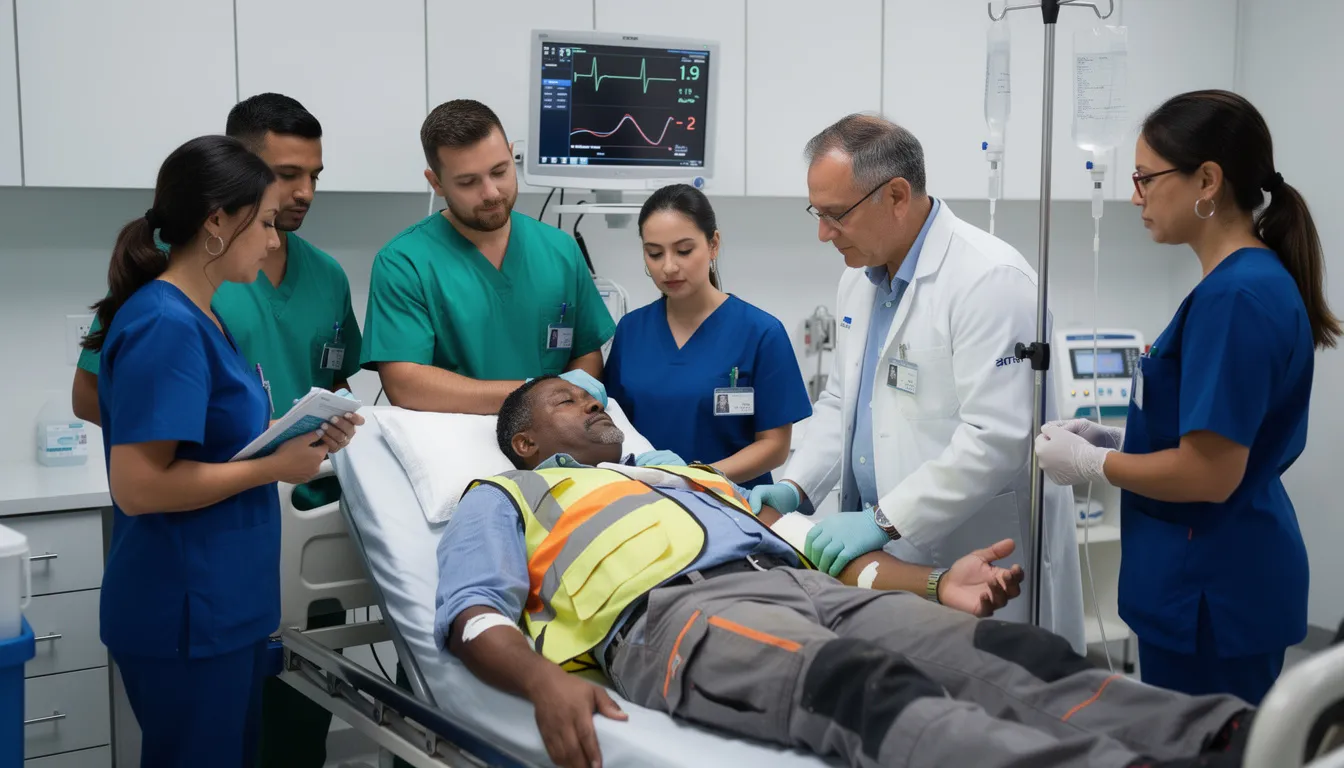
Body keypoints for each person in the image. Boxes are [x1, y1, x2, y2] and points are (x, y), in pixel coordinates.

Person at [434, 375, 1257, 768]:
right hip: (675, 617)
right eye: (565, 402)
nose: (591, 403)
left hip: (808, 584)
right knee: (863, 686)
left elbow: (804, 539)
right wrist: (544, 684)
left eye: (593, 396)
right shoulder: (510, 493)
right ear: (526, 441)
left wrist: (935, 585)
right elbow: (474, 610)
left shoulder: (677, 473)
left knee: (1014, 656)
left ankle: (1231, 742)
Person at [71, 93, 364, 766]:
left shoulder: (202, 318)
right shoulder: (164, 324)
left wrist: (304, 442)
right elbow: (140, 486)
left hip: (224, 606)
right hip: (186, 610)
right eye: (263, 220)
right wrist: (273, 466)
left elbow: (216, 436)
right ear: (216, 224)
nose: (273, 237)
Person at [1035, 90, 1338, 705]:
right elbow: (1216, 440)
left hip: (1212, 592)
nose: (1135, 196)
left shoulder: (1236, 298)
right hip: (1214, 574)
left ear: (1207, 179)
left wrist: (1094, 464)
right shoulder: (1240, 284)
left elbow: (1209, 473)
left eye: (1146, 178)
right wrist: (1123, 441)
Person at [759, 114, 1084, 649]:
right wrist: (796, 486)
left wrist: (884, 520)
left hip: (969, 554)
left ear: (896, 195)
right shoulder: (857, 280)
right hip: (883, 562)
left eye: (836, 215)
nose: (823, 233)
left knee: (987, 704)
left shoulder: (989, 280)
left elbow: (997, 436)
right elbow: (843, 402)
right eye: (817, 213)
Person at [360, 99, 613, 414]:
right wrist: (537, 396)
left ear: (510, 153)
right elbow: (405, 383)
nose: (491, 192)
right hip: (455, 446)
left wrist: (561, 411)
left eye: (500, 171)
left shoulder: (560, 250)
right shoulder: (404, 262)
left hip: (553, 439)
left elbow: (586, 353)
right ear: (435, 182)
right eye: (468, 182)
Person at [604, 184, 812, 488]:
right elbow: (616, 427)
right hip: (647, 503)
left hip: (731, 507)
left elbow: (774, 446)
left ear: (713, 244)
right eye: (654, 253)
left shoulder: (761, 333)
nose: (669, 267)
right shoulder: (631, 330)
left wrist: (697, 478)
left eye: (684, 250)